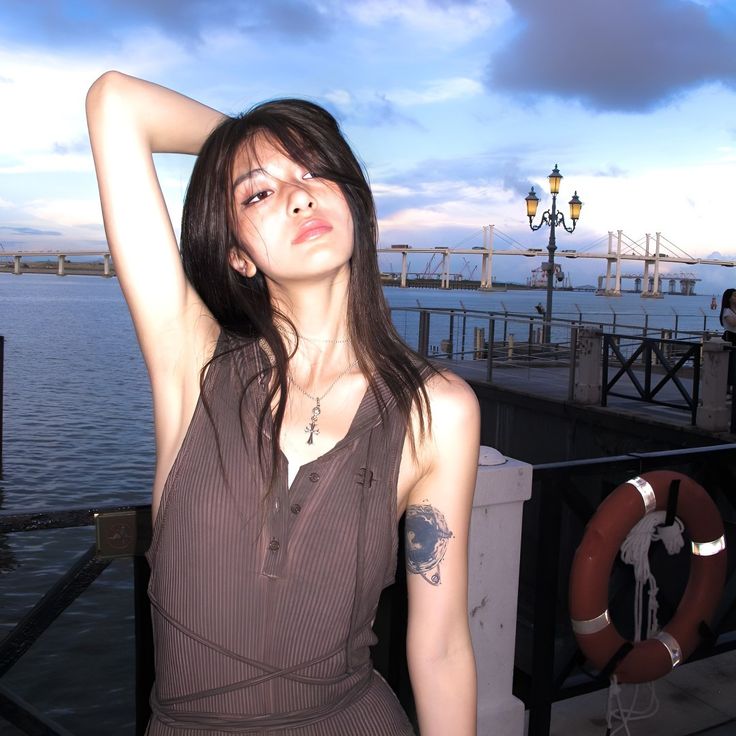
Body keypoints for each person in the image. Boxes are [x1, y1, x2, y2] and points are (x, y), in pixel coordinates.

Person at [86, 72, 479, 735]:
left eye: (318, 173)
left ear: (353, 201)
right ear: (237, 254)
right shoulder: (192, 365)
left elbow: (440, 648)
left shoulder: (437, 410)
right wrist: (239, 146)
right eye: (262, 193)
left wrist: (264, 163)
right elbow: (114, 102)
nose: (299, 194)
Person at [719, 288, 736, 389]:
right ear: (729, 298)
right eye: (734, 295)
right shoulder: (727, 311)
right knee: (731, 364)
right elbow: (733, 323)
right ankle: (728, 388)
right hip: (731, 337)